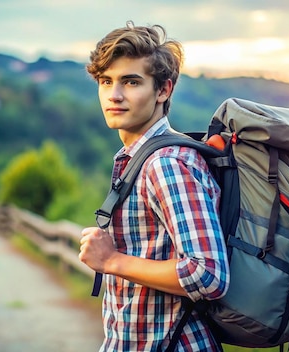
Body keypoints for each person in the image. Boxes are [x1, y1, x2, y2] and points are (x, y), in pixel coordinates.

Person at [78, 21, 230, 352]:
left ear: (164, 90)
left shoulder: (166, 164)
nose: (114, 95)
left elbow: (207, 274)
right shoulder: (140, 157)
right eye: (106, 81)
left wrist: (111, 261)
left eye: (131, 82)